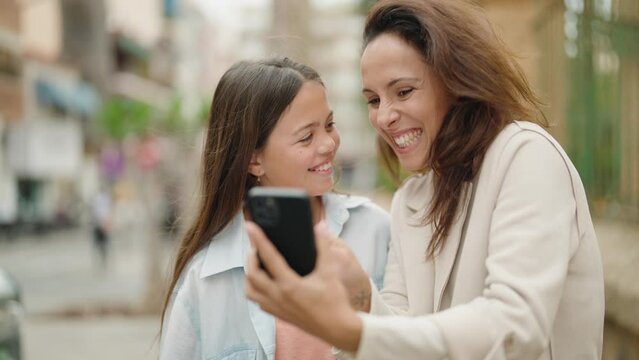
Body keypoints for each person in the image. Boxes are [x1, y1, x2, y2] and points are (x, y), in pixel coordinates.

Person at [244, 1, 605, 359]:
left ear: (456, 79)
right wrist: (361, 295)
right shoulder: (410, 199)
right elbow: (404, 336)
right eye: (373, 100)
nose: (384, 116)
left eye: (403, 91)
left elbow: (514, 327)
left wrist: (354, 331)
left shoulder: (526, 156)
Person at [159, 57, 390, 360]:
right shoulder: (205, 280)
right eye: (306, 136)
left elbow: (417, 343)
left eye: (329, 125)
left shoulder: (376, 230)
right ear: (254, 161)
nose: (328, 144)